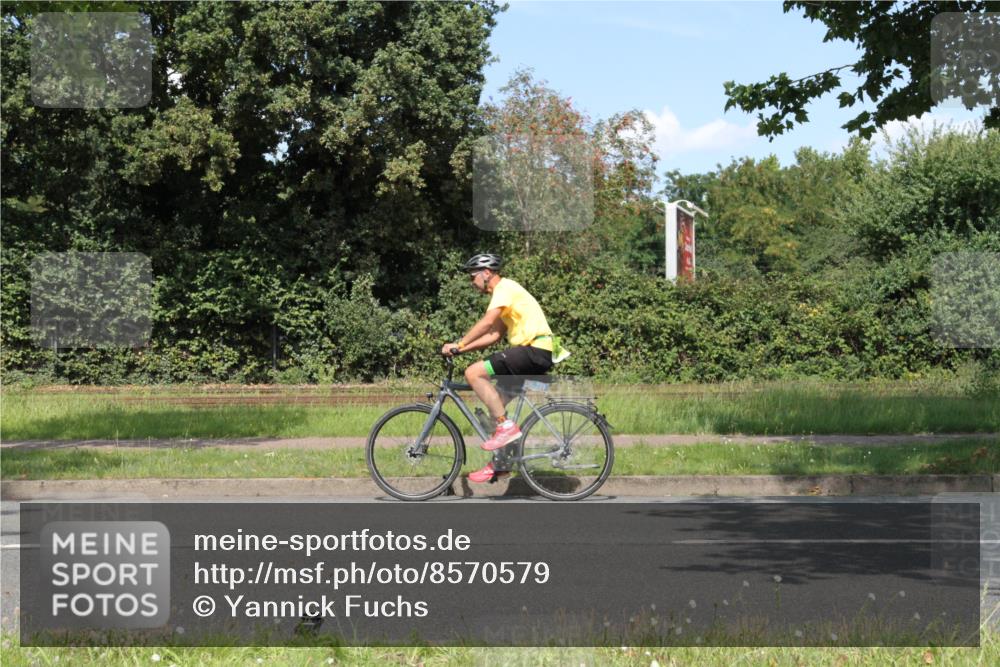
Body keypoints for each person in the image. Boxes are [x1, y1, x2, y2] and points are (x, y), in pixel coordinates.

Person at [440, 253, 556, 483]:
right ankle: (501, 464)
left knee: (473, 373)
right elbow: (493, 335)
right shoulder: (505, 296)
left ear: (486, 273)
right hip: (534, 353)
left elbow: (486, 323)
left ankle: (506, 427)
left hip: (535, 350)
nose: (472, 282)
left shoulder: (504, 288)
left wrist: (458, 343)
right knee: (497, 408)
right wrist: (461, 350)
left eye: (473, 276)